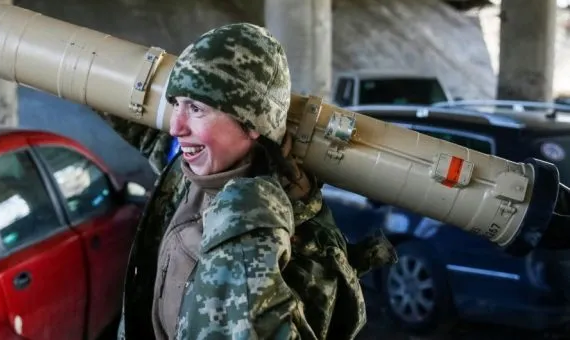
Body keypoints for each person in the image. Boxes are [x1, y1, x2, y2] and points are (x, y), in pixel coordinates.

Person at [97, 23, 396, 339]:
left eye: (196, 108)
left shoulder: (294, 243)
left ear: (253, 123)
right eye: (176, 104)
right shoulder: (191, 172)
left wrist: (249, 215)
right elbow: (151, 137)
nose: (176, 126)